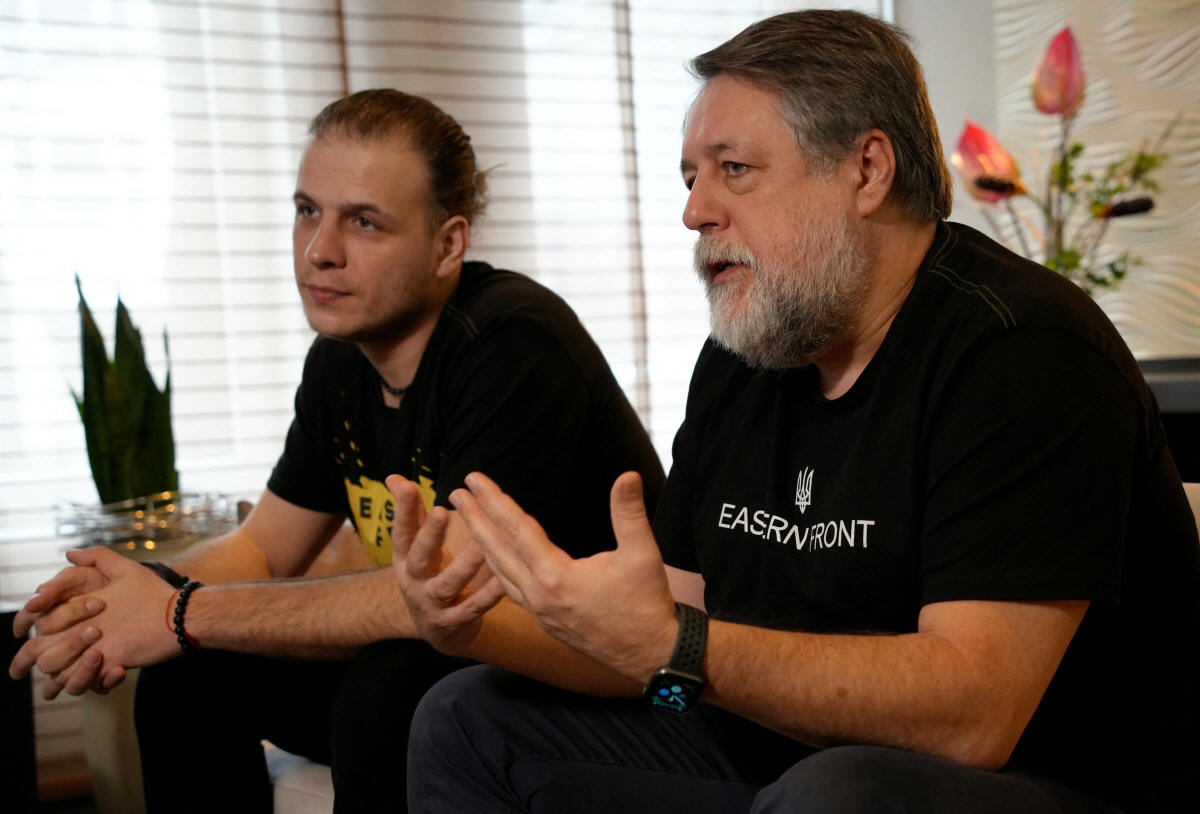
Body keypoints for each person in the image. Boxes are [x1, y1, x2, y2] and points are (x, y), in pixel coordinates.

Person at [384, 10, 1200, 814]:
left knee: (838, 793)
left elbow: (975, 716)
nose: (695, 211)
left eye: (734, 169)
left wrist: (676, 646)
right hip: (793, 756)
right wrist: (468, 624)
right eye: (691, 177)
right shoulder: (748, 353)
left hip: (1054, 784)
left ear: (867, 171)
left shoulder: (1025, 352)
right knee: (467, 718)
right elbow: (665, 642)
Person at [8, 89, 665, 813]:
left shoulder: (513, 345)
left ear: (448, 244)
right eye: (307, 210)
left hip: (597, 682)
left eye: (364, 221)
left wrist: (179, 612)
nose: (319, 250)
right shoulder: (341, 361)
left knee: (391, 682)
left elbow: (437, 598)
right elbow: (263, 548)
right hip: (456, 661)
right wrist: (130, 594)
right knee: (189, 669)